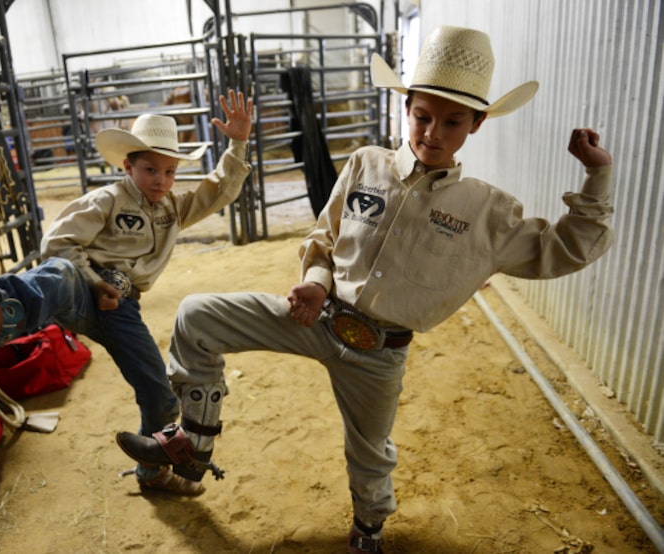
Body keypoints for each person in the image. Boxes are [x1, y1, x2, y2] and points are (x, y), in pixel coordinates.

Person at [115, 26, 614, 553]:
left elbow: (565, 249)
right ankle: (192, 444)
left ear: (477, 123)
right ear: (407, 108)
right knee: (197, 315)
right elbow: (324, 237)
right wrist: (314, 282)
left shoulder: (486, 212)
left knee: (370, 450)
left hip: (379, 353)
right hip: (317, 316)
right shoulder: (365, 164)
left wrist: (596, 178)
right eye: (422, 115)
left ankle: (368, 529)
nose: (433, 133)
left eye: (452, 122)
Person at [0, 89, 254, 495]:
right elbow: (56, 245)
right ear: (128, 166)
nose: (160, 180)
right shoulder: (107, 199)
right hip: (82, 288)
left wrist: (238, 142)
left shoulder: (172, 210)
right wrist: (98, 282)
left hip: (123, 309)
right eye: (149, 170)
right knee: (56, 274)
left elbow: (218, 190)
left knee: (160, 395)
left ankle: (153, 473)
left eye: (168, 172)